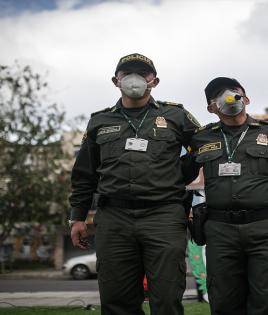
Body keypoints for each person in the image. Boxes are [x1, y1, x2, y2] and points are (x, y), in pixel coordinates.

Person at [69, 53, 201, 315]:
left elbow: (204, 148)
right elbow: (84, 174)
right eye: (127, 73)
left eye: (142, 73)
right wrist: (77, 217)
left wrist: (180, 174)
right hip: (114, 218)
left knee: (166, 298)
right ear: (115, 80)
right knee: (117, 300)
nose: (134, 78)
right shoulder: (99, 121)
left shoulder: (176, 115)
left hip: (163, 215)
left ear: (155, 81)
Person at [182, 77, 268, 315]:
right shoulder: (201, 138)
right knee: (224, 301)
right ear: (211, 107)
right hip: (220, 230)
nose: (228, 96)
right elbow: (178, 176)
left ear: (246, 98)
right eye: (218, 94)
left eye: (235, 91)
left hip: (266, 228)